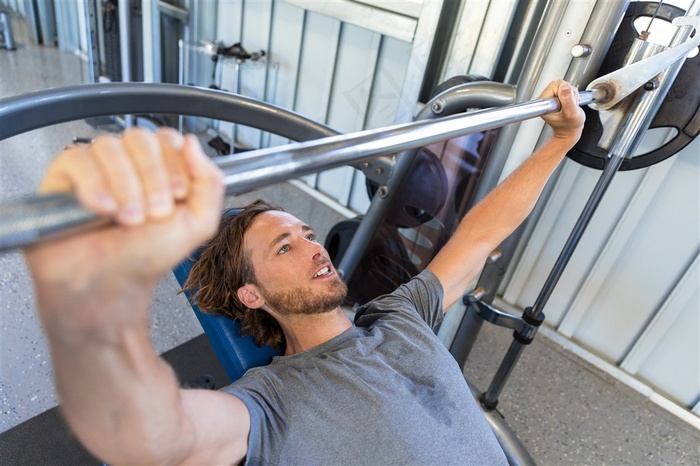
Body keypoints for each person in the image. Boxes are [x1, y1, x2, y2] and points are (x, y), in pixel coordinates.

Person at [23, 80, 584, 465]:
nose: (316, 248)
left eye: (309, 235)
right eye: (285, 247)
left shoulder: (401, 312)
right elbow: (157, 436)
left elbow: (480, 235)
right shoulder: (270, 402)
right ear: (251, 293)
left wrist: (560, 141)